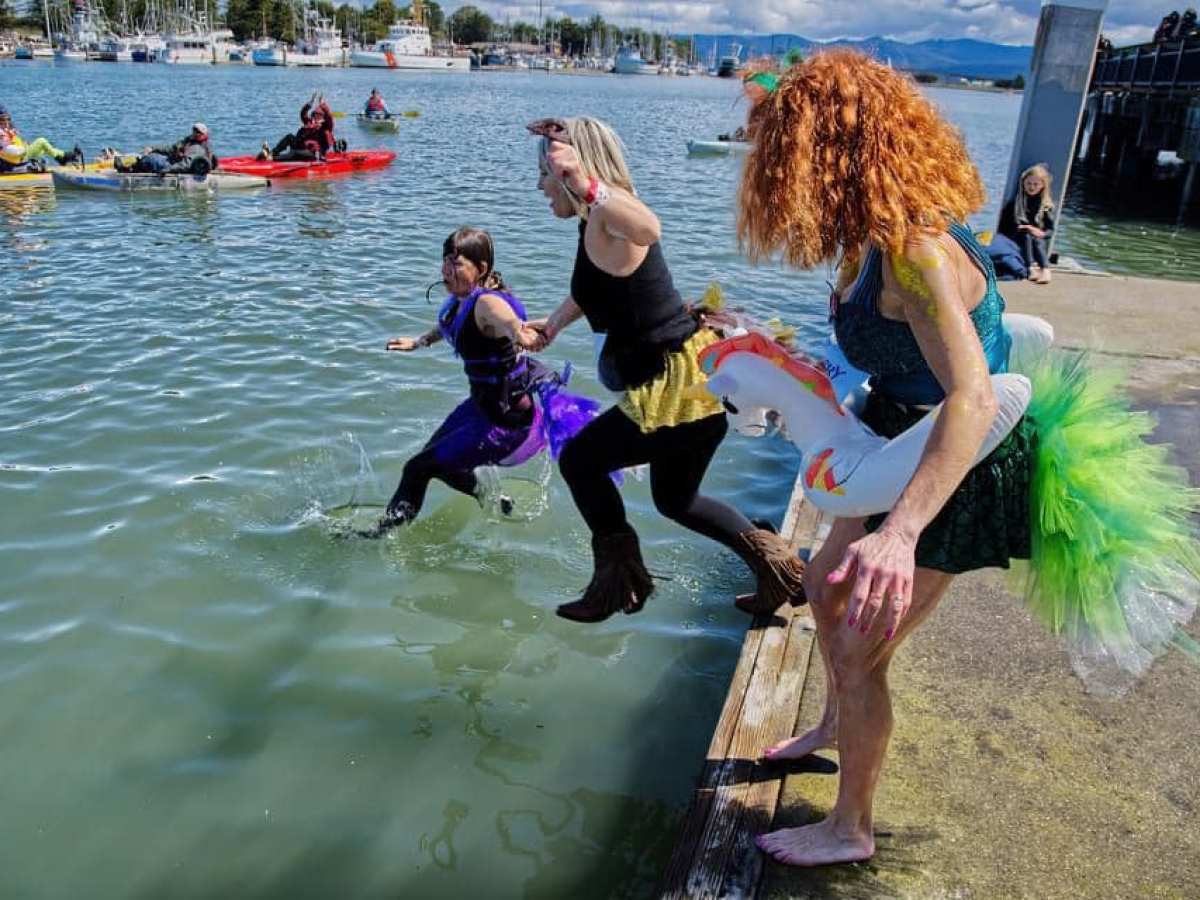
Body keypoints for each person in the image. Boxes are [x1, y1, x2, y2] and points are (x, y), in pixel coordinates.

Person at [735, 49, 1199, 869]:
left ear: (821, 152)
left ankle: (850, 828)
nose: (759, 162)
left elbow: (976, 398)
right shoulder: (869, 230)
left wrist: (899, 532)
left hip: (959, 457)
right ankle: (836, 725)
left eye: (770, 145)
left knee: (853, 643)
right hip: (892, 425)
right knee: (817, 586)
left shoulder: (912, 250)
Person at [525, 116, 805, 623]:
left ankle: (617, 581)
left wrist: (577, 177)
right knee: (677, 500)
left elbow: (649, 227)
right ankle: (779, 571)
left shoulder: (612, 213)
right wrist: (554, 325)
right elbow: (595, 288)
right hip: (692, 383)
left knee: (581, 460)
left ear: (573, 169)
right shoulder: (597, 223)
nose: (541, 185)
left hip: (678, 388)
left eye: (544, 173)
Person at [370, 226, 599, 535]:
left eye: (456, 263)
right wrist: (419, 342)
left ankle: (382, 535)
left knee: (418, 467)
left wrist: (531, 334)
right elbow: (451, 325)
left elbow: (518, 331)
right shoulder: (462, 298)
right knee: (434, 459)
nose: (447, 270)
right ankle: (496, 499)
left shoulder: (489, 304)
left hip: (505, 419)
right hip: (482, 407)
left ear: (481, 268)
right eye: (445, 260)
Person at [1001, 163, 1055, 285]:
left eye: (1036, 184)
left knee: (1033, 236)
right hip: (1017, 240)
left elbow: (1050, 231)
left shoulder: (1045, 206)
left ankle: (1045, 269)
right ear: (1023, 184)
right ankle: (1031, 268)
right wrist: (1024, 227)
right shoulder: (1015, 203)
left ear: (1042, 186)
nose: (1031, 187)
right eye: (1028, 184)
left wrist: (1041, 233)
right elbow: (1005, 227)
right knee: (1026, 234)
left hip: (1035, 244)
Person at [0, 105, 82, 173]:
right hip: (15, 159)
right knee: (41, 141)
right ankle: (62, 157)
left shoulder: (6, 129)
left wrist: (24, 144)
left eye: (8, 119)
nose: (6, 122)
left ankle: (62, 157)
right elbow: (8, 150)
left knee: (43, 149)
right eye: (2, 119)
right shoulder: (1, 133)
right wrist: (24, 148)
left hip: (15, 158)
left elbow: (12, 142)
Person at [113, 122, 217, 175]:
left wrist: (168, 170)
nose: (195, 133)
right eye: (194, 130)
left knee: (151, 159)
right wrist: (153, 148)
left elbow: (185, 165)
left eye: (198, 132)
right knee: (151, 155)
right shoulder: (188, 141)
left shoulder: (198, 148)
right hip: (173, 161)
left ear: (203, 134)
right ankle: (131, 164)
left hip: (175, 167)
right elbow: (171, 148)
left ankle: (130, 168)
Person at [261, 94, 342, 162]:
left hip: (314, 153)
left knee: (296, 153)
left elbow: (329, 117)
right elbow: (303, 114)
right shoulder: (309, 122)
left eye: (318, 115)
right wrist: (310, 104)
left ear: (322, 116)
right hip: (302, 147)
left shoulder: (326, 126)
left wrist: (322, 104)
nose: (315, 116)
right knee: (289, 137)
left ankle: (272, 159)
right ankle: (272, 153)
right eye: (314, 114)